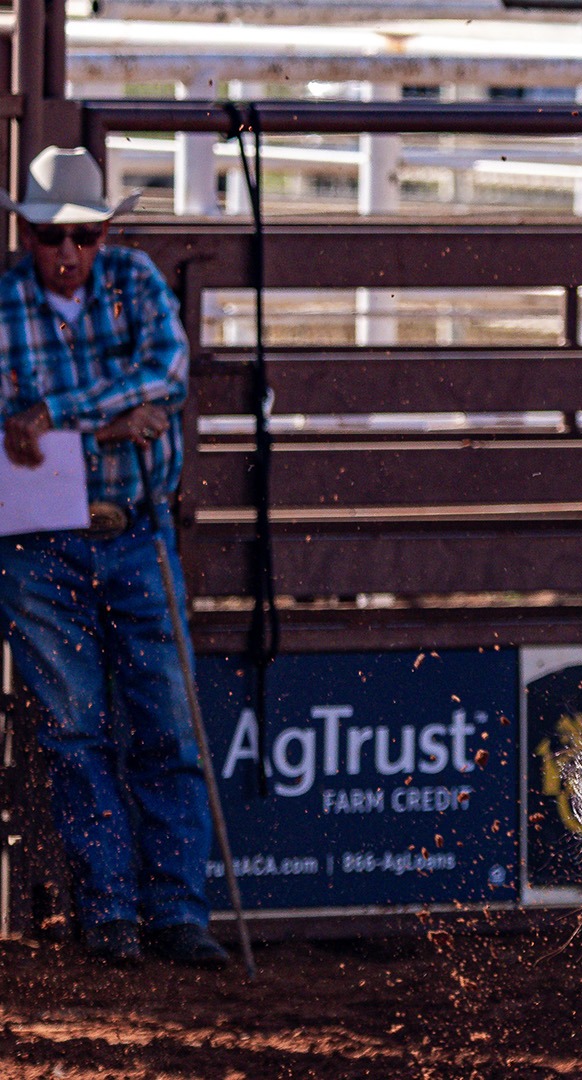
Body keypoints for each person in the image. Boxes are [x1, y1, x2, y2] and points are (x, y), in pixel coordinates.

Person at [0, 146, 229, 969]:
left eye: (84, 236)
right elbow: (136, 389)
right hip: (42, 545)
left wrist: (53, 415)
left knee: (163, 726)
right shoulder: (9, 301)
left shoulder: (133, 282)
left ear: (103, 235)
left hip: (128, 529)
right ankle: (115, 914)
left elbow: (164, 377)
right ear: (30, 234)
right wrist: (108, 420)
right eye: (54, 237)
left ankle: (168, 912)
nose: (69, 254)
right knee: (75, 730)